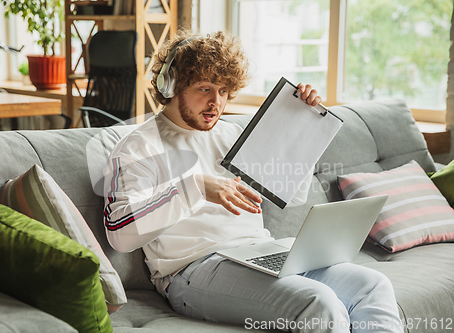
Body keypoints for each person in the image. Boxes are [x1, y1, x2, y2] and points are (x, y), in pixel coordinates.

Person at [103, 30, 403, 333]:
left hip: (260, 253)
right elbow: (120, 234)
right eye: (204, 88)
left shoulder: (231, 135)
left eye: (223, 91)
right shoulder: (138, 147)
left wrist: (304, 126)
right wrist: (193, 187)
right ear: (170, 85)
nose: (215, 103)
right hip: (193, 270)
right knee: (319, 302)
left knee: (373, 285)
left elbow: (291, 194)